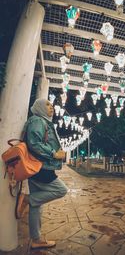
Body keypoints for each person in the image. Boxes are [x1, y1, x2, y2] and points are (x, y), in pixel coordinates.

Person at [17, 98, 67, 250]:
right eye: (47, 104)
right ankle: (26, 199)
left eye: (51, 105)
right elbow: (34, 143)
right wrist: (54, 153)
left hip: (37, 167)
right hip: (41, 167)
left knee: (36, 205)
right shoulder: (38, 121)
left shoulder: (41, 121)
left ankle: (36, 239)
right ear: (39, 107)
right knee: (61, 190)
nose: (51, 107)